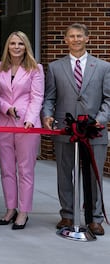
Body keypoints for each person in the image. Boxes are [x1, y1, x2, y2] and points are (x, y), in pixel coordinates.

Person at [43, 23, 109, 236]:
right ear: (65, 40)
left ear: (87, 38)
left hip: (94, 130)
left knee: (94, 174)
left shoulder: (103, 67)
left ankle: (94, 218)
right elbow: (50, 97)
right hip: (66, 129)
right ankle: (67, 215)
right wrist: (47, 115)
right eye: (71, 36)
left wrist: (100, 119)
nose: (76, 39)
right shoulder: (55, 67)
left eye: (79, 36)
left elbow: (108, 98)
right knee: (64, 173)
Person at [0, 31, 43, 230]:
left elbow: (37, 97)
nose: (16, 47)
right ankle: (10, 208)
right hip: (1, 123)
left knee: (25, 169)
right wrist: (6, 108)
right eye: (12, 43)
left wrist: (29, 119)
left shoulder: (35, 69)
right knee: (6, 170)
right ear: (8, 46)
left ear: (26, 46)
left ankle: (23, 212)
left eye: (20, 43)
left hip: (26, 124)